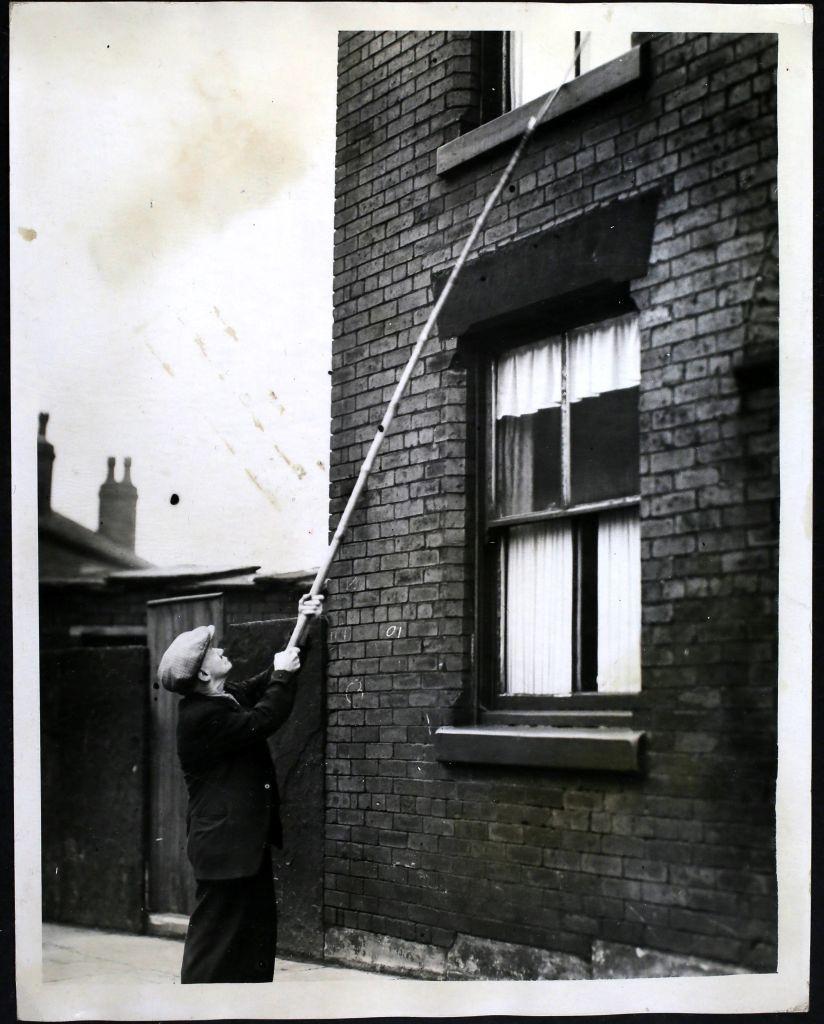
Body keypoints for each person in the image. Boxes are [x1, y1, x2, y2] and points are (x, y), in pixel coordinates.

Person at [157, 593, 324, 984]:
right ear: (201, 673)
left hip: (243, 845)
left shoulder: (223, 697)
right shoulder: (201, 718)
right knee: (214, 943)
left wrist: (302, 626)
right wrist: (281, 675)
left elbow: (270, 678)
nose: (221, 650)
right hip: (225, 848)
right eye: (213, 651)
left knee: (252, 940)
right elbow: (265, 717)